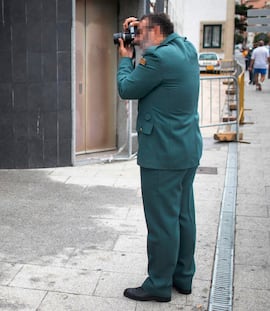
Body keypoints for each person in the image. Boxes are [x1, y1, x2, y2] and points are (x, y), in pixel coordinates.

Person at [117, 13, 202, 302]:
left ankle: (159, 284)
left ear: (155, 30)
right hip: (187, 149)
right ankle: (183, 277)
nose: (135, 37)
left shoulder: (158, 60)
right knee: (182, 216)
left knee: (162, 222)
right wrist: (137, 29)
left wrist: (124, 58)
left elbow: (127, 88)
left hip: (163, 155)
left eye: (140, 31)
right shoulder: (187, 50)